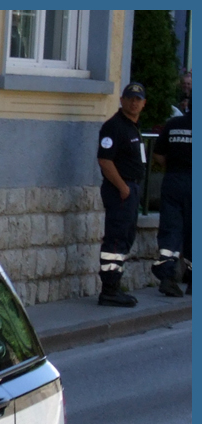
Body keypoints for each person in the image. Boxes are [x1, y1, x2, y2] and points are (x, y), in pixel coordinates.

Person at [95, 82, 148, 307]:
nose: (134, 102)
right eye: (130, 98)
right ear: (121, 100)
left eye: (138, 99)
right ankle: (109, 289)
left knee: (125, 237)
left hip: (131, 189)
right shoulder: (114, 126)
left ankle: (115, 286)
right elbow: (105, 160)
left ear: (143, 104)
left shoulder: (132, 127)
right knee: (116, 238)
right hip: (121, 191)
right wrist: (123, 187)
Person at [151, 107, 191, 296]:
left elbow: (158, 154)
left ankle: (167, 277)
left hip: (173, 180)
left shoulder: (173, 124)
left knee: (171, 229)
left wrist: (174, 166)